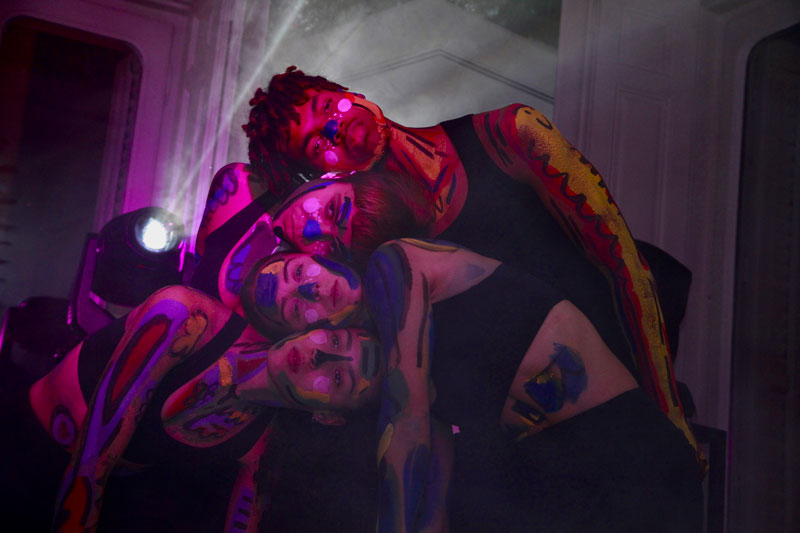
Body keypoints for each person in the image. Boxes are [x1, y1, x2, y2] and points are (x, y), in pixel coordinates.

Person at [22, 253, 381, 532]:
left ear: (328, 415)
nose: (320, 356)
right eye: (336, 342)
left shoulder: (262, 450)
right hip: (25, 445)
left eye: (338, 378)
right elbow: (93, 459)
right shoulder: (185, 317)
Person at [364, 238, 703, 532]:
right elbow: (435, 477)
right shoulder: (414, 360)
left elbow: (406, 417)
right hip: (567, 473)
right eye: (340, 375)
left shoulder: (393, 261)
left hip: (624, 452)